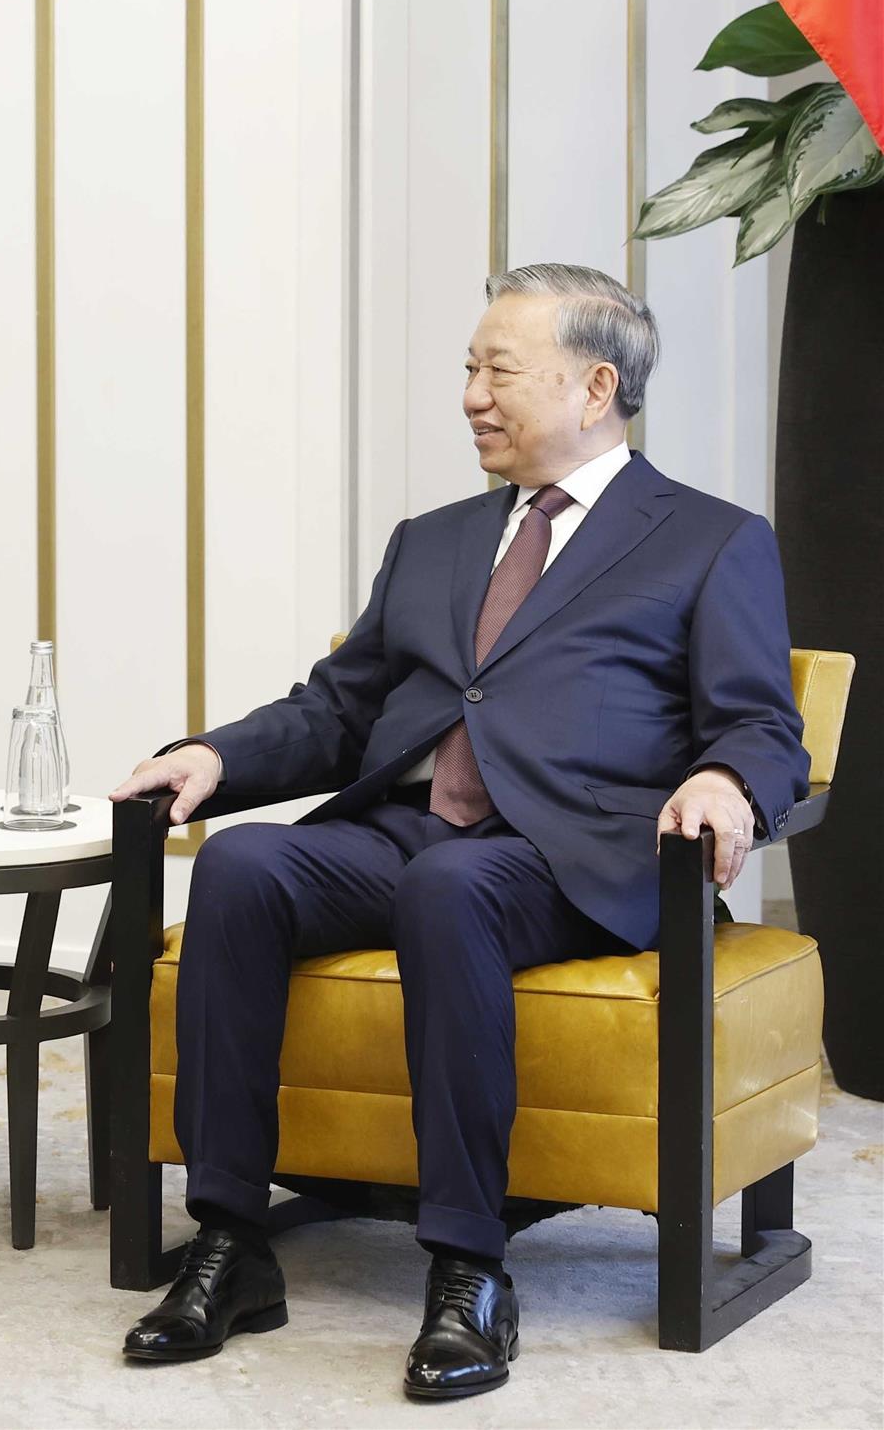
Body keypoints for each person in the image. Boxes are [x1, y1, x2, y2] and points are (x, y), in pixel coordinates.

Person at [110, 263, 809, 1400]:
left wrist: (727, 779)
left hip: (574, 857)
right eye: (469, 369)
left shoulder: (710, 539)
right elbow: (339, 710)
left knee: (453, 891)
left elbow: (762, 725)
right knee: (242, 863)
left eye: (500, 371)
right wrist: (218, 757)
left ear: (595, 387)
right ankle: (230, 1241)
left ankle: (468, 1267)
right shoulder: (431, 540)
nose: (473, 395)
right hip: (408, 830)